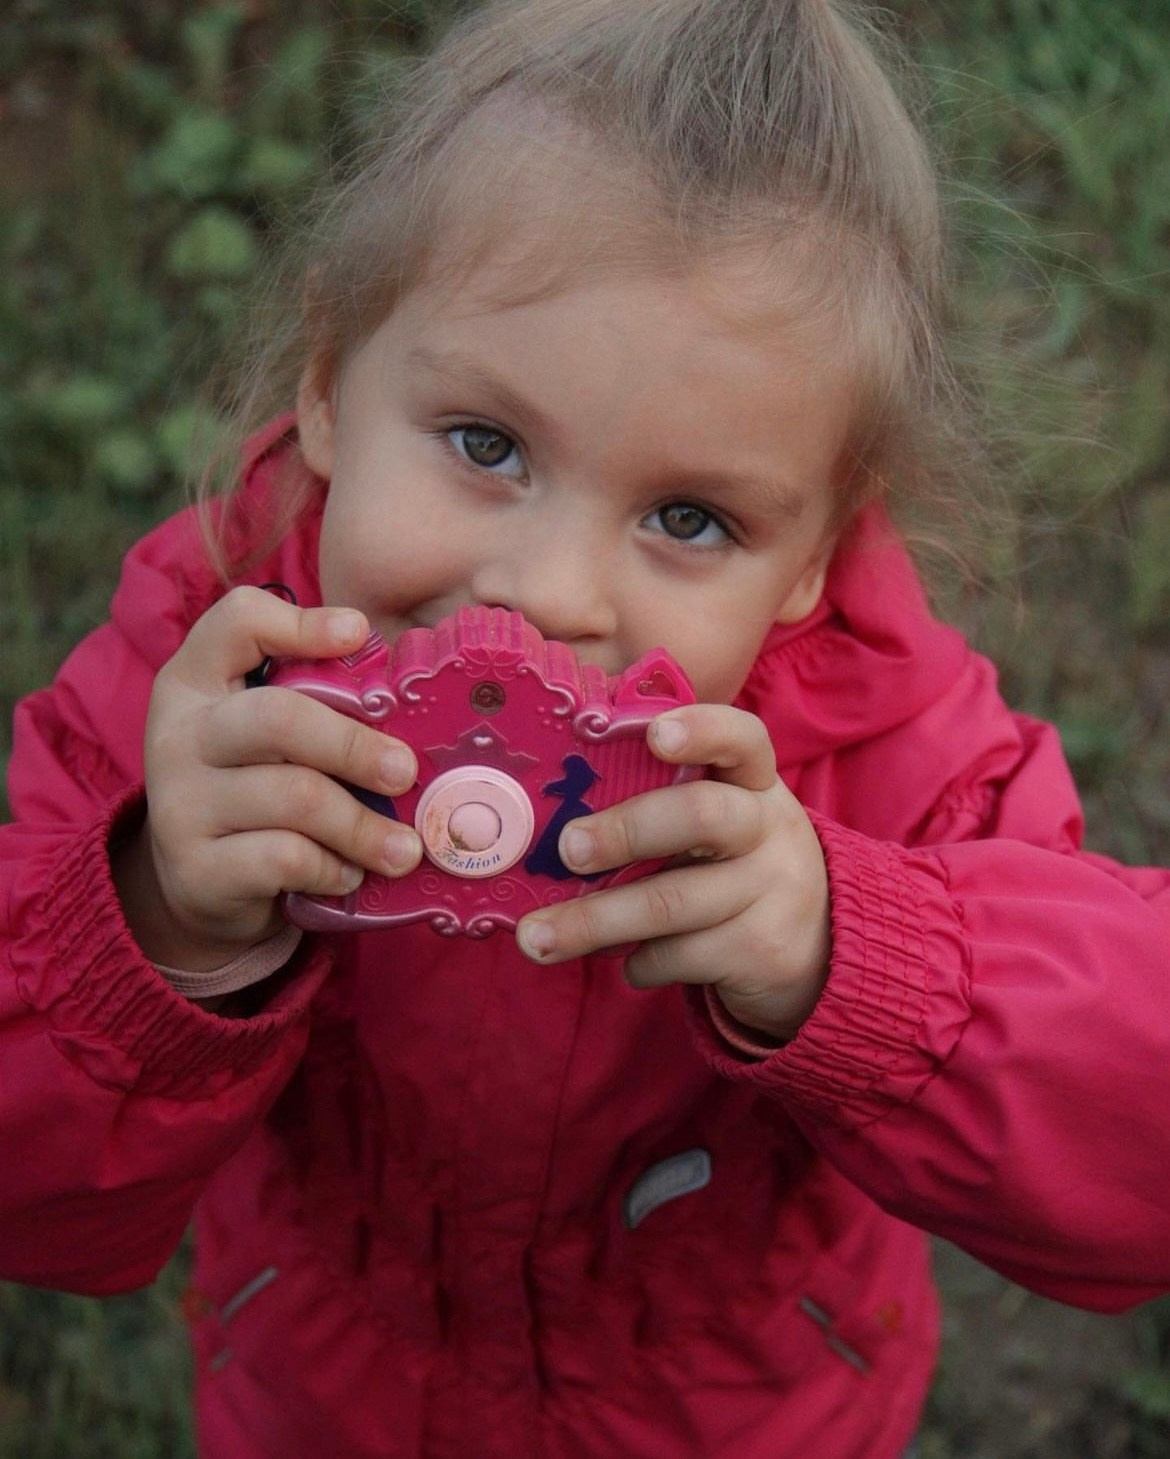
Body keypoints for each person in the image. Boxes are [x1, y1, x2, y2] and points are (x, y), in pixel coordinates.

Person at [1, 1, 1167, 1456]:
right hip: (327, 1387)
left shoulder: (882, 744)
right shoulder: (203, 685)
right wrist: (159, 916)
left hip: (745, 1406)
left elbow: (1137, 1157)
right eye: (485, 445)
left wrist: (848, 955)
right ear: (324, 383)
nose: (549, 595)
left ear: (810, 558)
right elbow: (30, 1194)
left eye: (691, 519)